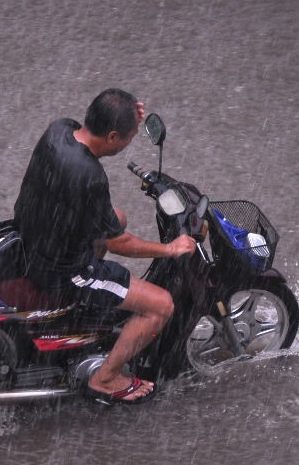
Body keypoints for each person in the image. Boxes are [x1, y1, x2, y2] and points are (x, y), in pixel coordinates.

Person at [13, 89, 196, 404]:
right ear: (112, 136)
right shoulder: (90, 175)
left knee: (118, 217)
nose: (130, 141)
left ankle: (83, 316)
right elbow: (119, 244)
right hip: (60, 268)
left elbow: (111, 225)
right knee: (161, 305)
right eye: (128, 136)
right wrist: (170, 249)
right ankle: (106, 378)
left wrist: (126, 114)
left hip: (34, 233)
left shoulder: (59, 130)